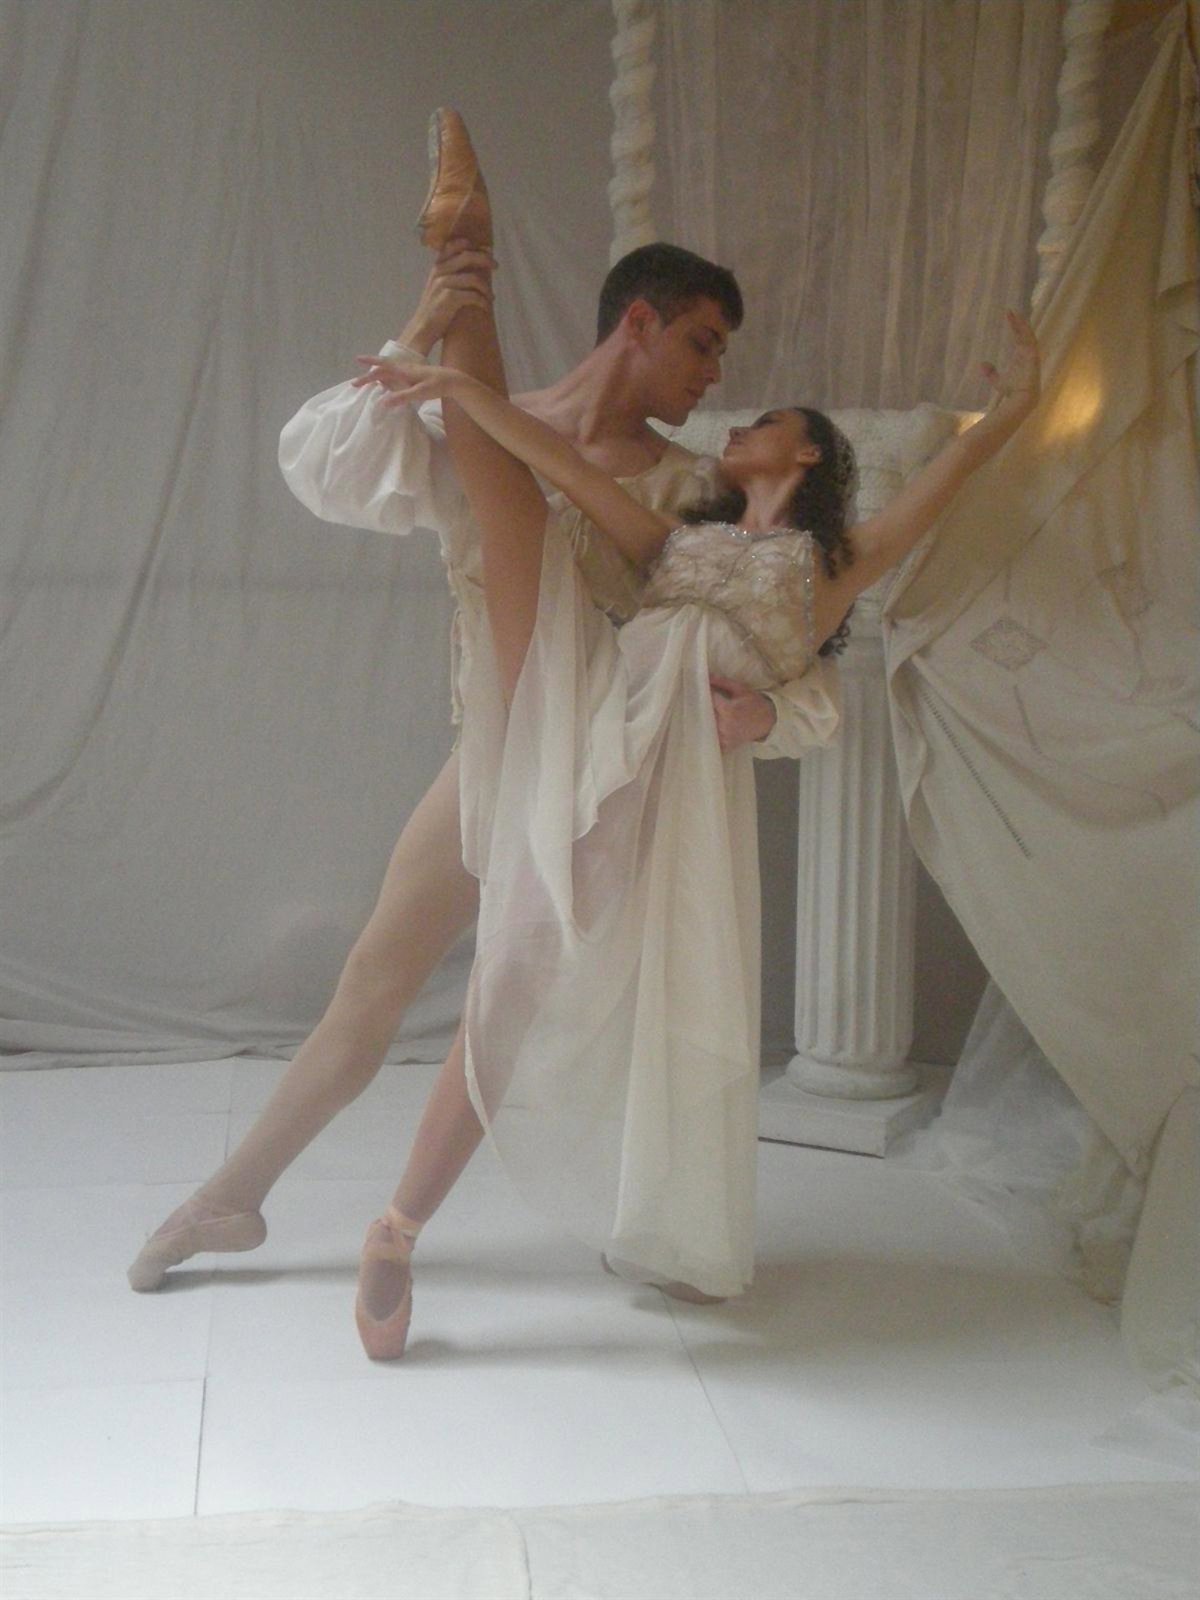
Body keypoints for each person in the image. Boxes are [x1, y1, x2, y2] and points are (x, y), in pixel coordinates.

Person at [346, 113, 1042, 1357]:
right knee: (508, 982)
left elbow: (922, 512)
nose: (732, 404)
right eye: (713, 356)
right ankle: (395, 1228)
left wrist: (1008, 418)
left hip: (684, 801)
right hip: (594, 732)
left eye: (764, 413)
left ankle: (671, 1221)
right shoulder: (679, 538)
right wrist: (463, 393)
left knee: (663, 1015)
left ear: (805, 455)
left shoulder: (822, 570)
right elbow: (557, 470)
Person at [126, 112, 838, 1296]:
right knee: (372, 982)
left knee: (522, 1012)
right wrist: (422, 325)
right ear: (638, 321)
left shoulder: (695, 487)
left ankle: (528, 1222)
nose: (715, 376)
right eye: (702, 343)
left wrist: (772, 720)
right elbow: (329, 467)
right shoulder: (468, 426)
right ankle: (226, 1198)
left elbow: (792, 647)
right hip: (500, 745)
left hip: (601, 764)